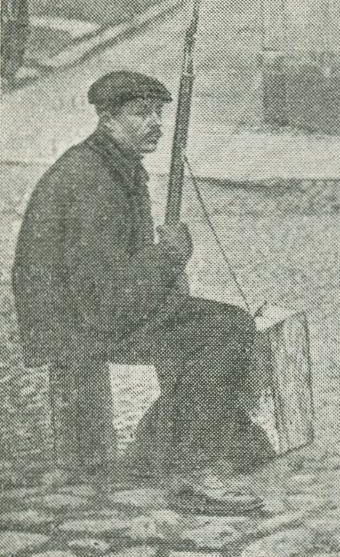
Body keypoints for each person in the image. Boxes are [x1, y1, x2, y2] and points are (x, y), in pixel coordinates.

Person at [12, 71, 274, 515]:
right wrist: (168, 257)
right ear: (108, 120)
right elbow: (106, 299)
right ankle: (177, 465)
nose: (155, 123)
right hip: (77, 324)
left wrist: (164, 270)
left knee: (224, 322)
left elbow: (116, 281)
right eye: (140, 114)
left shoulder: (115, 165)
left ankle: (202, 434)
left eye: (157, 113)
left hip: (91, 309)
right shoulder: (93, 181)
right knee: (221, 332)